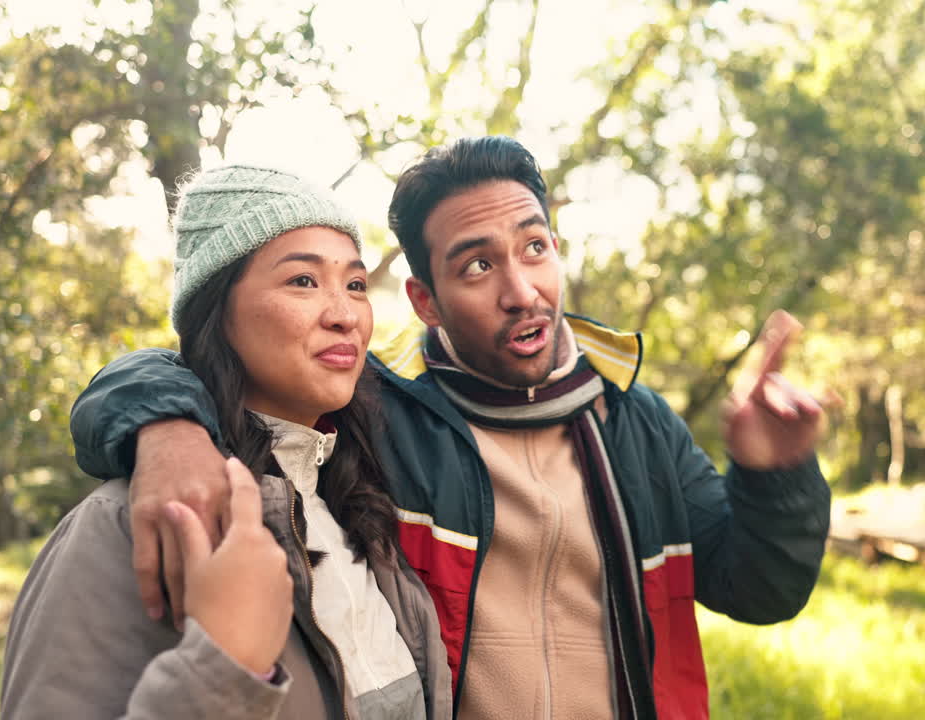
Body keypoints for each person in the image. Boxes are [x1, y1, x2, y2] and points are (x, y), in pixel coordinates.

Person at [69, 137, 832, 720]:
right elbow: (202, 363)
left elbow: (759, 590)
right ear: (425, 301)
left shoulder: (635, 421)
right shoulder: (378, 412)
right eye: (476, 267)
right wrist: (166, 428)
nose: (522, 290)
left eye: (534, 248)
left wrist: (775, 476)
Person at [1, 165, 452, 720]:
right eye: (303, 281)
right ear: (218, 310)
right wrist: (224, 668)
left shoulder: (362, 503)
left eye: (355, 285)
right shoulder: (129, 522)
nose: (344, 316)